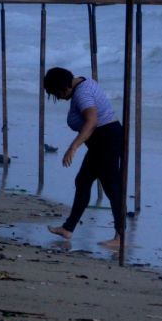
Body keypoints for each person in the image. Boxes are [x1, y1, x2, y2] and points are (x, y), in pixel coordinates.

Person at [43, 67, 124, 248]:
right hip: (103, 139)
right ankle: (68, 228)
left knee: (111, 186)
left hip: (106, 139)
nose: (58, 97)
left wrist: (73, 147)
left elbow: (92, 121)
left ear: (63, 87)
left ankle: (120, 237)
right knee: (83, 181)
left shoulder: (82, 93)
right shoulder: (81, 84)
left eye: (56, 93)